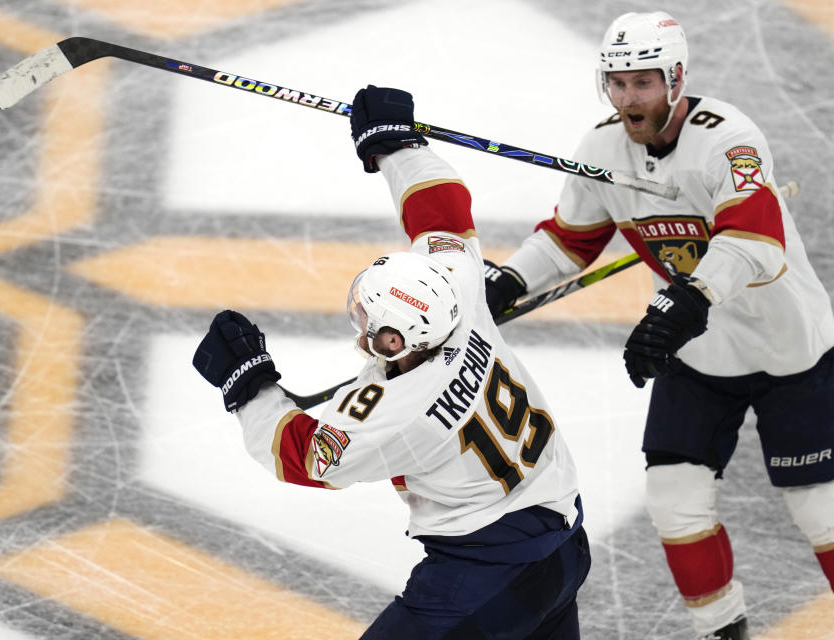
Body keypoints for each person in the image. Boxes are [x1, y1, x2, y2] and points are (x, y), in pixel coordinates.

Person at [483, 11, 834, 640]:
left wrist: (686, 300)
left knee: (820, 511)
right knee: (673, 504)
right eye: (616, 84)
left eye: (642, 83)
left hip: (788, 347)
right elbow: (572, 238)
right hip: (697, 353)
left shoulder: (728, 138)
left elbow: (757, 240)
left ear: (675, 78)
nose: (627, 99)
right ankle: (723, 631)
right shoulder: (600, 148)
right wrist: (507, 282)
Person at [192, 85, 590, 639]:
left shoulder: (392, 408)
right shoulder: (461, 295)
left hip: (488, 579)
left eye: (370, 322)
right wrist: (399, 147)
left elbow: (300, 456)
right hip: (565, 541)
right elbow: (443, 212)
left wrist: (249, 385)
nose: (360, 322)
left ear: (398, 343)